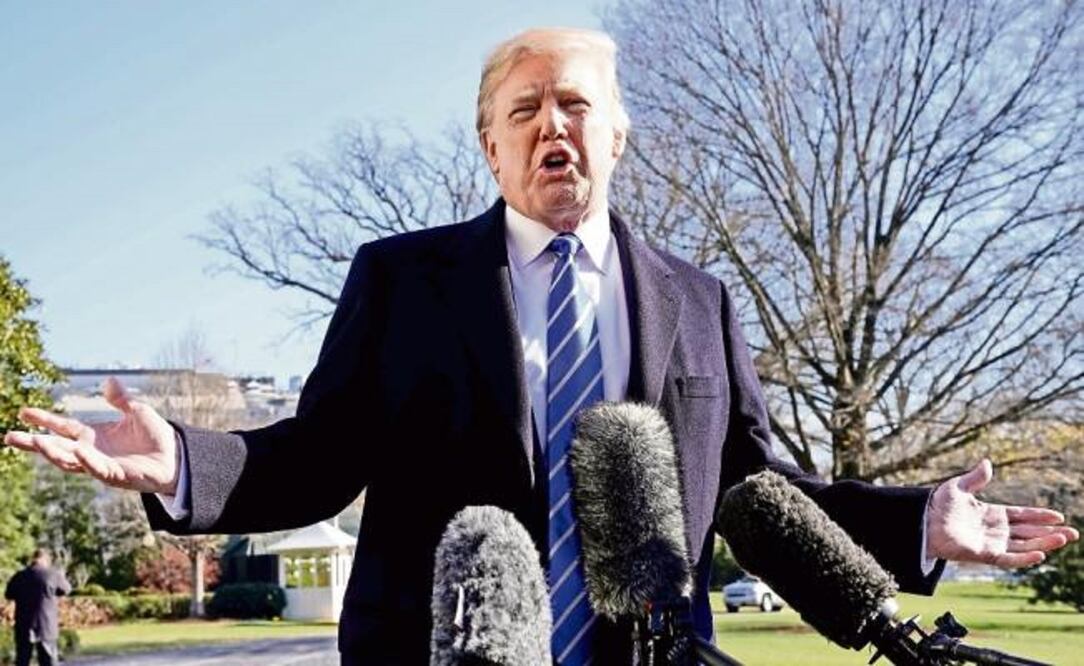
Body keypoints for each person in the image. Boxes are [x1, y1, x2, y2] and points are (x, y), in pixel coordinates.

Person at [3, 28, 1078, 665]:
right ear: (490, 144)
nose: (549, 125)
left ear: (616, 132)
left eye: (574, 103)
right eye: (523, 110)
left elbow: (757, 490)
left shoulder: (698, 299)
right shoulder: (401, 280)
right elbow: (318, 455)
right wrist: (185, 461)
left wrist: (919, 523)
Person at [4, 549, 71, 666]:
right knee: (48, 660)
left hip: (24, 623)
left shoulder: (19, 576)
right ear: (46, 560)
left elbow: (9, 594)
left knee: (22, 660)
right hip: (46, 624)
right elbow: (66, 589)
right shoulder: (52, 574)